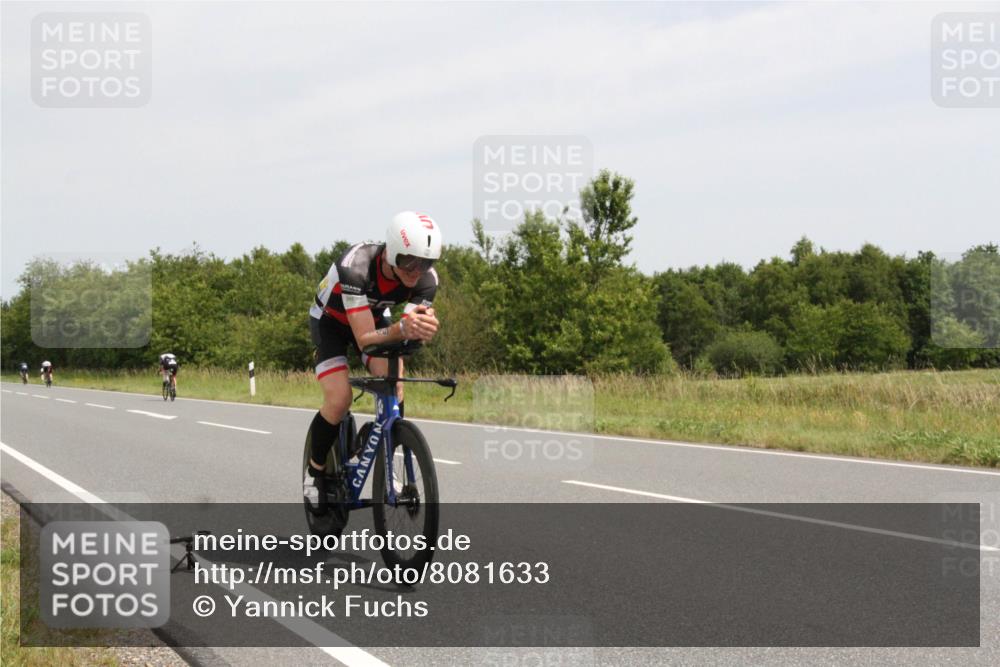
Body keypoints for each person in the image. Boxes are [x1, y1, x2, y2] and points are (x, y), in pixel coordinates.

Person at [304, 211, 442, 504]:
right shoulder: (356, 267)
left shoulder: (427, 280)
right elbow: (365, 340)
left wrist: (419, 329)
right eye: (409, 261)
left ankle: (386, 447)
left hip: (374, 317)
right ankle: (314, 472)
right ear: (392, 251)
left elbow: (404, 329)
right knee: (339, 399)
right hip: (330, 322)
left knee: (396, 381)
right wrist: (403, 328)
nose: (416, 270)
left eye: (426, 262)